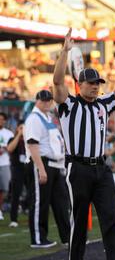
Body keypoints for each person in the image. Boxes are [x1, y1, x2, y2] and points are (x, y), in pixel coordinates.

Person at [53, 28, 115, 260]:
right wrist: (64, 53)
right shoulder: (69, 104)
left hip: (101, 168)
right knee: (79, 221)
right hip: (78, 168)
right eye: (91, 83)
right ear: (79, 84)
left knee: (110, 217)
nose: (95, 87)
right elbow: (57, 82)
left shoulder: (104, 104)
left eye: (98, 84)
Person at [24, 90, 71, 248]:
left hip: (55, 165)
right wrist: (40, 169)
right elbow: (32, 144)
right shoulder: (34, 119)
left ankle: (67, 237)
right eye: (43, 100)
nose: (46, 103)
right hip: (42, 163)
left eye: (49, 100)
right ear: (37, 100)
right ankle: (38, 239)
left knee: (61, 203)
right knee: (40, 203)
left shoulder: (47, 118)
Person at [7, 121, 28, 227]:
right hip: (17, 169)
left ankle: (26, 207)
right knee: (16, 194)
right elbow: (10, 149)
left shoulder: (29, 139)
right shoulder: (13, 139)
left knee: (32, 193)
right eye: (20, 127)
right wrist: (19, 135)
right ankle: (13, 219)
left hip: (28, 168)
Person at [0, 112, 14, 221]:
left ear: (5, 121)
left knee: (4, 189)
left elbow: (13, 149)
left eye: (2, 119)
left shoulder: (9, 133)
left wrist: (5, 149)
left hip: (5, 163)